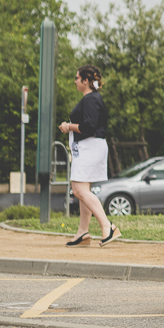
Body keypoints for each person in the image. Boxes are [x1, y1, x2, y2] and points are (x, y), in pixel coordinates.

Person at [59, 65, 120, 247]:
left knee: (78, 190)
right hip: (90, 147)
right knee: (83, 191)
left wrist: (68, 126)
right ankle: (83, 232)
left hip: (90, 147)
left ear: (85, 80)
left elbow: (89, 126)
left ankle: (108, 227)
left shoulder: (91, 99)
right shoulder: (92, 98)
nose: (75, 81)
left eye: (77, 78)